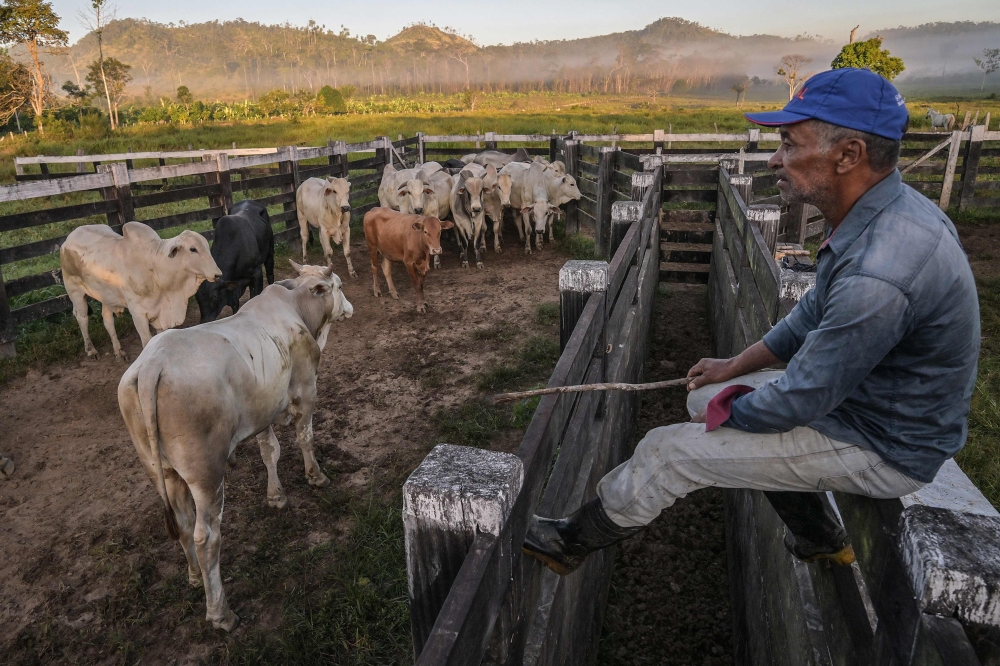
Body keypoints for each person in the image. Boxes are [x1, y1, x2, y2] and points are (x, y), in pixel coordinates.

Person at [523, 67, 981, 576]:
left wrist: (731, 417)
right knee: (704, 397)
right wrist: (732, 367)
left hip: (884, 443)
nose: (774, 159)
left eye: (788, 144)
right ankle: (818, 533)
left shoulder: (882, 268)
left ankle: (570, 541)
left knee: (668, 452)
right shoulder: (882, 214)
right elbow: (809, 316)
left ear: (848, 155)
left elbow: (802, 399)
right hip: (867, 401)